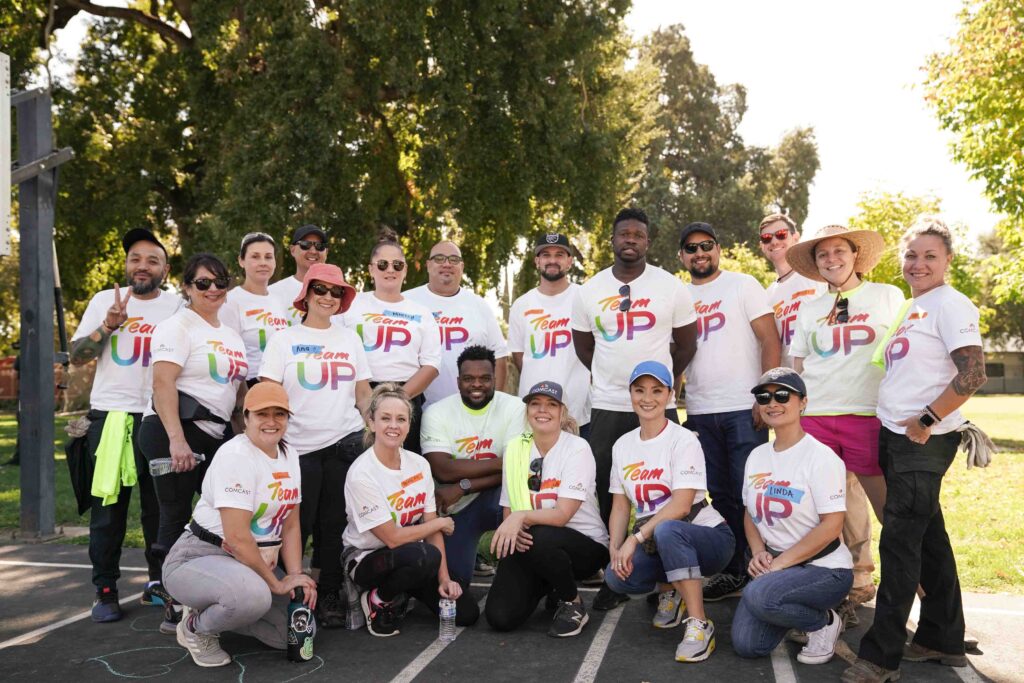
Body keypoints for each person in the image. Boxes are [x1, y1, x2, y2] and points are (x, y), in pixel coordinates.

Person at [844, 217, 987, 683]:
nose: (918, 263)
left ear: (947, 261)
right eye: (912, 255)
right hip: (895, 435)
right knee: (929, 537)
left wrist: (927, 419)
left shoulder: (951, 303)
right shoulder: (913, 307)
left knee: (900, 543)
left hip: (922, 440)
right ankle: (940, 637)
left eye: (930, 255)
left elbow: (972, 374)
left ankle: (880, 657)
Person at [786, 224, 905, 616]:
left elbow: (906, 352)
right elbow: (799, 366)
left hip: (868, 415)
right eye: (823, 254)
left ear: (856, 255)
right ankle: (843, 587)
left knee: (892, 511)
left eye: (839, 251)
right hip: (817, 417)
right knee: (824, 509)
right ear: (816, 263)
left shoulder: (886, 296)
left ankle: (924, 594)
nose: (831, 259)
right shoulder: (810, 307)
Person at [161, 382, 316, 668]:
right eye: (262, 414)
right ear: (245, 418)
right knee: (251, 598)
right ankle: (194, 627)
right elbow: (237, 536)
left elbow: (291, 523)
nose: (271, 422)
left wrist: (294, 577)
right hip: (200, 555)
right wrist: (276, 584)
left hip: (247, 563)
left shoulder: (289, 455)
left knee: (291, 633)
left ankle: (217, 603)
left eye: (279, 414)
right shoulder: (236, 456)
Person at [69, 228, 181, 622]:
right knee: (109, 511)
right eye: (136, 258)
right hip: (111, 417)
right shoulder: (104, 300)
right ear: (126, 264)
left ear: (165, 269)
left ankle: (158, 583)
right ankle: (104, 591)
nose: (143, 265)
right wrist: (108, 326)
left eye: (152, 260)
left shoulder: (178, 307)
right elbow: (78, 356)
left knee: (160, 509)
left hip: (158, 418)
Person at [140, 252, 248, 631]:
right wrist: (176, 441)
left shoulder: (230, 335)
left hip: (217, 435)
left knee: (219, 515)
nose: (213, 289)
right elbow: (163, 384)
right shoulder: (178, 326)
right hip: (177, 430)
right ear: (187, 287)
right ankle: (172, 602)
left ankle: (208, 589)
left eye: (220, 282)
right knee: (174, 515)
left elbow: (236, 396)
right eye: (203, 283)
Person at [259, 263, 370, 629]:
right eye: (319, 289)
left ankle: (329, 593)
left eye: (336, 292)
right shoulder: (283, 340)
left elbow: (363, 393)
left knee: (334, 525)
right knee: (296, 524)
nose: (327, 297)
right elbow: (268, 393)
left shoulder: (350, 339)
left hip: (345, 443)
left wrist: (375, 432)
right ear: (305, 295)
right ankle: (287, 591)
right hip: (297, 447)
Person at [602, 361, 734, 662]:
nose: (647, 398)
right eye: (639, 390)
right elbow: (620, 504)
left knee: (667, 529)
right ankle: (671, 589)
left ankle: (700, 624)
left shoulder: (683, 440)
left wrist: (633, 539)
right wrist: (615, 545)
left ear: (670, 395)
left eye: (656, 390)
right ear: (631, 395)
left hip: (709, 539)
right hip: (658, 538)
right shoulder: (622, 445)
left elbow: (681, 506)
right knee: (616, 576)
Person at [571, 208, 697, 524]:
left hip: (658, 404)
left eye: (638, 235)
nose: (631, 240)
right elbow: (585, 348)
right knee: (602, 480)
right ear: (612, 239)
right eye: (624, 234)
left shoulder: (670, 286)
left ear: (647, 242)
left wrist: (656, 387)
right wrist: (610, 374)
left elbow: (686, 346)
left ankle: (663, 549)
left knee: (666, 480)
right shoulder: (589, 290)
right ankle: (605, 554)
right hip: (607, 403)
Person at [677, 222, 781, 602]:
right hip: (701, 410)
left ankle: (766, 569)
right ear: (682, 256)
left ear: (718, 249)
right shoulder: (679, 294)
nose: (699, 253)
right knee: (719, 495)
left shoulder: (743, 284)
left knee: (750, 494)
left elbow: (770, 337)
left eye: (706, 245)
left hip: (743, 407)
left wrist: (765, 394)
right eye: (691, 248)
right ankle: (735, 572)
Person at [732, 368, 853, 666]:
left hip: (825, 568)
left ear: (803, 402)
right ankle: (787, 605)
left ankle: (822, 622)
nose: (773, 402)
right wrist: (759, 551)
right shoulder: (757, 456)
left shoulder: (821, 458)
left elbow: (832, 525)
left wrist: (778, 566)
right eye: (764, 396)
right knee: (748, 645)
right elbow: (750, 513)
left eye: (782, 395)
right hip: (776, 564)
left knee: (760, 596)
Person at [343, 383, 478, 636]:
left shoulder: (419, 465)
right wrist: (438, 523)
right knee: (423, 555)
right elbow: (393, 538)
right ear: (371, 423)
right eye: (385, 418)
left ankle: (401, 592)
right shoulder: (362, 474)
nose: (393, 425)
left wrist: (444, 579)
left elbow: (429, 526)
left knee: (466, 613)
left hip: (410, 555)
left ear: (409, 425)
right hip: (366, 557)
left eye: (401, 419)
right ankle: (378, 598)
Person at [484, 381, 608, 637]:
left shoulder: (577, 448)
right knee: (500, 617)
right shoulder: (516, 449)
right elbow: (509, 510)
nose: (543, 410)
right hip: (533, 544)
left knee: (541, 533)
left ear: (562, 412)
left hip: (584, 547)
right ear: (527, 411)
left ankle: (572, 603)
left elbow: (562, 515)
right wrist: (514, 531)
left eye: (552, 404)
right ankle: (553, 585)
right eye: (535, 404)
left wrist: (520, 518)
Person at [420, 345, 526, 591]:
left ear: (495, 379)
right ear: (458, 381)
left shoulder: (515, 407)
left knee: (527, 503)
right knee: (457, 583)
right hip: (458, 508)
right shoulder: (437, 412)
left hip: (498, 498)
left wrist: (464, 485)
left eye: (484, 378)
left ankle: (521, 572)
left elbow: (518, 471)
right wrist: (507, 461)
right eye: (469, 379)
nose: (476, 385)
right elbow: (443, 469)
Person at [339, 228, 441, 453]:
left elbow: (432, 364)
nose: (390, 270)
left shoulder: (422, 313)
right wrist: (369, 403)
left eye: (397, 265)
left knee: (403, 468)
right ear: (371, 269)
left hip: (407, 396)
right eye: (383, 264)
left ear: (405, 270)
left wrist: (398, 399)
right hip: (359, 397)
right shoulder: (351, 306)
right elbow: (338, 348)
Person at [405, 240, 510, 407]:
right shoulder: (407, 302)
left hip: (471, 410)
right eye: (439, 258)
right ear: (428, 265)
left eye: (453, 259)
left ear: (461, 266)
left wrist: (494, 406)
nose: (447, 264)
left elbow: (499, 357)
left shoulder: (479, 306)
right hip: (416, 409)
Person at [508, 233, 591, 436]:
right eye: (546, 255)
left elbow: (595, 350)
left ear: (569, 261)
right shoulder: (522, 305)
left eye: (560, 254)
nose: (552, 260)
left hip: (578, 410)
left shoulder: (585, 298)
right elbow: (519, 357)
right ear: (537, 261)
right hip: (535, 410)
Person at [219, 232, 292, 387]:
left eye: (268, 257)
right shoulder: (230, 301)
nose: (263, 262)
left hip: (282, 384)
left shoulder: (278, 300)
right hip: (250, 386)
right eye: (255, 256)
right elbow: (227, 357)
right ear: (241, 261)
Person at [757, 214, 827, 367]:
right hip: (788, 385)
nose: (774, 241)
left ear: (796, 237)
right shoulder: (766, 296)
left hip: (821, 377)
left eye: (781, 234)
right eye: (767, 238)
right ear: (762, 246)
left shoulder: (818, 276)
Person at [268, 224, 329, 326]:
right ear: (292, 250)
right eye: (305, 244)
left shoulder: (339, 294)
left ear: (326, 252)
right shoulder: (272, 293)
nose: (313, 251)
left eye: (320, 246)